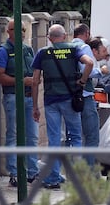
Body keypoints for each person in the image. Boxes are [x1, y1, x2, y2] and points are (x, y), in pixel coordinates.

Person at [31, 24, 93, 188]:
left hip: (51, 101)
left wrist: (35, 106)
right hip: (70, 100)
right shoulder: (73, 50)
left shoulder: (43, 53)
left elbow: (35, 81)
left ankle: (53, 178)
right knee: (76, 137)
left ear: (49, 38)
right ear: (64, 36)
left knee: (54, 139)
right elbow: (90, 63)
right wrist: (82, 81)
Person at [0, 19, 39, 187]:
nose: (22, 33)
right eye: (17, 29)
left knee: (32, 136)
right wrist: (20, 81)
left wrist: (35, 104)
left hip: (28, 97)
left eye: (24, 30)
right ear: (9, 31)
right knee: (13, 134)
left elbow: (34, 77)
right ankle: (14, 173)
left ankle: (32, 172)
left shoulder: (28, 50)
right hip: (13, 97)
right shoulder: (3, 51)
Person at [71, 24, 108, 167]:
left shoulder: (67, 46)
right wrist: (101, 71)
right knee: (92, 136)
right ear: (86, 34)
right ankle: (90, 173)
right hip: (84, 96)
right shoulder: (84, 48)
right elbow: (89, 69)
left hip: (69, 97)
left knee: (74, 136)